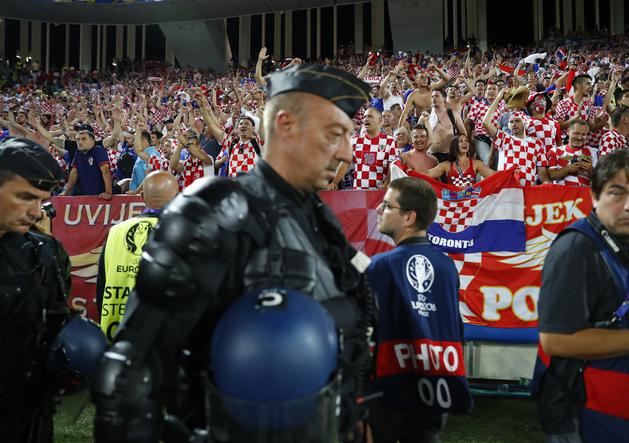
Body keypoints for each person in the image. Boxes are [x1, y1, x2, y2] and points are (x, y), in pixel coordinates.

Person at [92, 64, 376, 443]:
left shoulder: (321, 220)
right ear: (286, 125)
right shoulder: (215, 214)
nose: (346, 152)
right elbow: (130, 370)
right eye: (335, 134)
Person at [534, 149, 629, 442]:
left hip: (627, 411)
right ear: (594, 197)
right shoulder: (577, 247)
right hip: (583, 412)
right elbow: (555, 340)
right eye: (616, 193)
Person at [366, 177, 473, 443]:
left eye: (387, 206)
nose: (379, 209)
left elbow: (363, 334)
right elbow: (455, 329)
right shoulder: (447, 266)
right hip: (436, 390)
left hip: (387, 394)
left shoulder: (380, 266)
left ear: (408, 217)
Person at [0, 138, 71, 442]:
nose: (35, 212)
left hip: (31, 415)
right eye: (25, 197)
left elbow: (55, 321)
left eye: (41, 200)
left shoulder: (46, 253)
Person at [96, 171, 179, 342]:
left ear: (141, 196)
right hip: (160, 339)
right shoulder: (182, 235)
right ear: (178, 198)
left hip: (115, 334)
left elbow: (101, 286)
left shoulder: (115, 232)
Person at [483, 88, 550, 186]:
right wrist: (498, 99)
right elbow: (485, 122)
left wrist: (545, 182)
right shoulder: (504, 139)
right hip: (505, 189)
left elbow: (542, 172)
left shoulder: (537, 143)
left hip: (527, 192)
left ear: (525, 124)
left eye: (517, 121)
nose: (514, 124)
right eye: (511, 122)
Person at [424, 134, 495, 186]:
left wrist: (506, 174)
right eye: (460, 141)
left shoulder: (477, 163)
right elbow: (428, 174)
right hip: (452, 203)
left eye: (466, 141)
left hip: (470, 203)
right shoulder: (446, 165)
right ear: (454, 145)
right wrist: (412, 173)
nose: (465, 143)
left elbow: (493, 175)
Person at [547, 120, 598, 186]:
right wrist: (567, 169)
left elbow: (600, 179)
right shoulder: (555, 151)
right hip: (561, 193)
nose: (579, 137)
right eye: (576, 133)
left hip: (583, 194)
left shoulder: (593, 152)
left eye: (583, 134)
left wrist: (590, 169)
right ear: (568, 132)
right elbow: (550, 176)